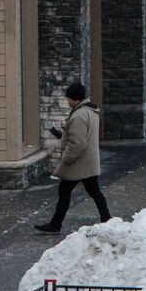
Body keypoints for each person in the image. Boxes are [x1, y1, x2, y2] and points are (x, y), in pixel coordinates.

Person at [38, 82, 110, 233]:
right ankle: (107, 220)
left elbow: (78, 143)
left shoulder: (78, 116)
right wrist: (62, 135)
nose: (67, 101)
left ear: (74, 98)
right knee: (92, 191)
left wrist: (66, 158)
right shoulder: (90, 111)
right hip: (88, 161)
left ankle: (56, 224)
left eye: (68, 98)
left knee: (68, 191)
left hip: (79, 162)